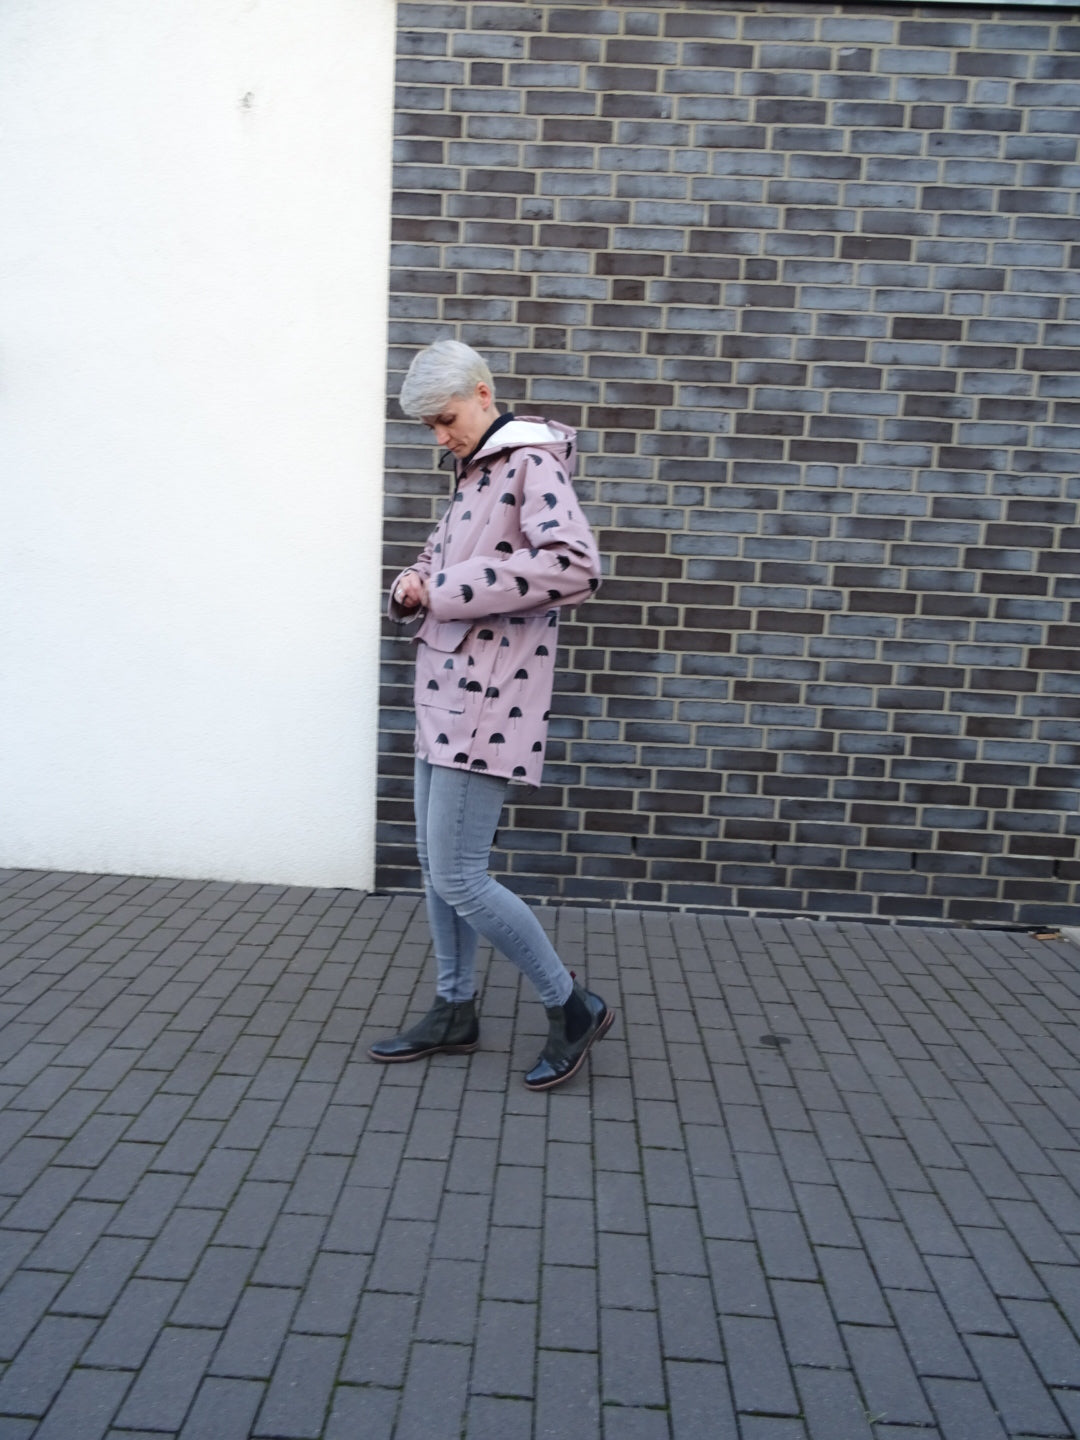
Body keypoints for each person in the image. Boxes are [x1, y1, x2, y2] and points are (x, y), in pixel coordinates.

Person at [369, 339, 613, 1090]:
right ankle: (454, 1009)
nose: (440, 436)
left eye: (445, 420)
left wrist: (445, 589)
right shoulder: (476, 470)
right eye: (430, 427)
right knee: (437, 870)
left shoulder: (530, 462)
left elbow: (575, 565)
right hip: (444, 694)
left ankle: (571, 1005)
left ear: (482, 394)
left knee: (461, 875)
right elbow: (438, 558)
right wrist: (413, 581)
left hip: (490, 701)